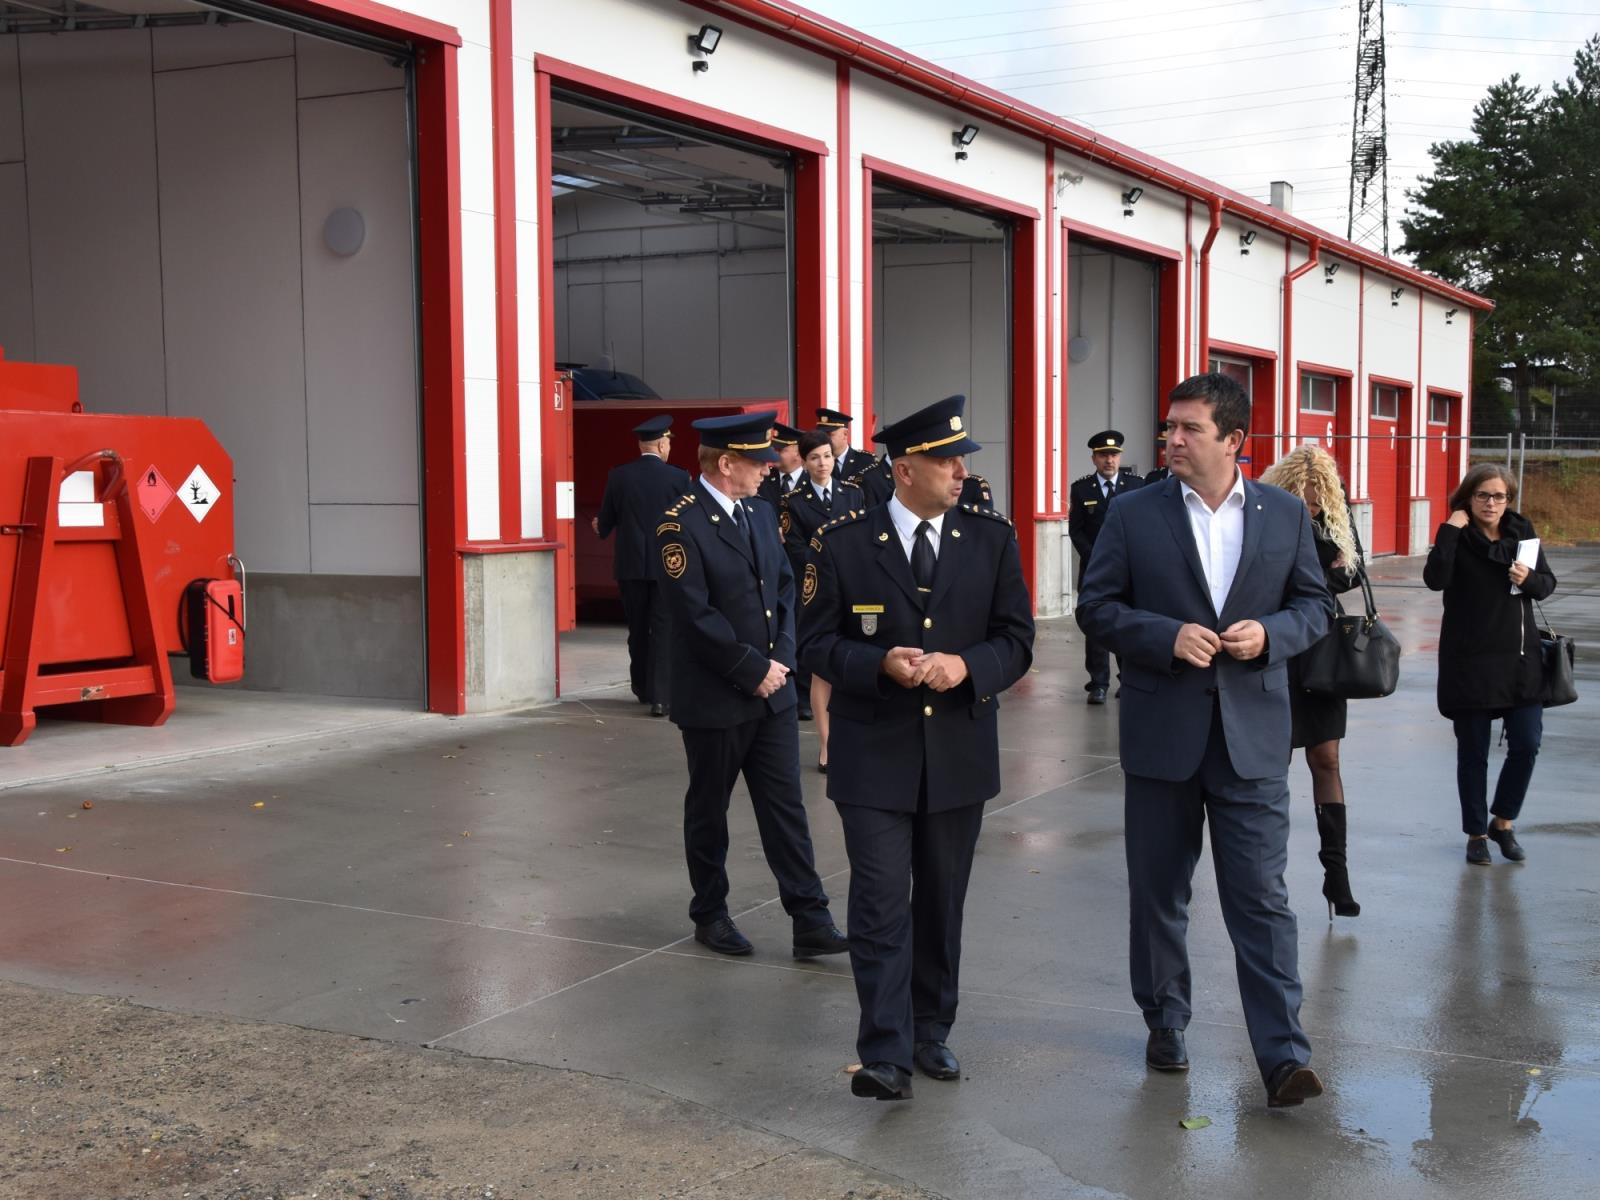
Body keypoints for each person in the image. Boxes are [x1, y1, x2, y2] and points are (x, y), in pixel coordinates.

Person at [1076, 373, 1333, 1108]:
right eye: (1169, 427)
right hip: (1163, 735)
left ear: (1234, 440)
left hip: (1252, 738)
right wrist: (1164, 636)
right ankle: (1166, 1020)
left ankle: (1283, 1057)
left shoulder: (1285, 514)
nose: (1173, 440)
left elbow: (1315, 605)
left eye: (1189, 428)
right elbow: (1096, 606)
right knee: (1160, 892)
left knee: (1262, 899)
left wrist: (1270, 634)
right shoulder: (1133, 512)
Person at [799, 394, 1035, 1102]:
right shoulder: (842, 542)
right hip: (873, 754)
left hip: (958, 753)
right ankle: (885, 1052)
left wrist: (968, 666)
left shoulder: (991, 539)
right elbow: (814, 643)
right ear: (904, 470)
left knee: (940, 901)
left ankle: (931, 1029)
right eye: (947, 461)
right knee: (878, 904)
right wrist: (876, 664)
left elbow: (1017, 639)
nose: (962, 472)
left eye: (962, 460)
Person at [654, 412, 849, 959]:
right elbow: (694, 615)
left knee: (786, 808)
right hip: (717, 695)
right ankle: (710, 913)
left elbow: (784, 588)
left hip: (773, 690)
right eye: (758, 462)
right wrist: (751, 668)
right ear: (725, 463)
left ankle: (810, 918)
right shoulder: (680, 524)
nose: (768, 469)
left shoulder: (761, 513)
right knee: (709, 811)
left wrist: (782, 658)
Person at [1423, 464, 1556, 866]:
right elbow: (1435, 578)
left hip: (1520, 661)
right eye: (1483, 495)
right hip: (1470, 663)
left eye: (1499, 496)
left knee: (1527, 744)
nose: (1491, 503)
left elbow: (1546, 584)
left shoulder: (1522, 532)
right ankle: (1476, 834)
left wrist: (1529, 579)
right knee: (1473, 754)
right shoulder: (1458, 536)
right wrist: (1449, 529)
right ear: (1468, 497)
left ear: (1508, 499)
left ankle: (1503, 822)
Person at [1259, 445, 1365, 919]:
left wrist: (1329, 568)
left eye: (1319, 495)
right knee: (1272, 763)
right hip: (1276, 646)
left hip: (1322, 649)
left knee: (1327, 758)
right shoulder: (1266, 517)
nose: (1313, 503)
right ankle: (1266, 871)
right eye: (1304, 494)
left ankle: (1336, 873)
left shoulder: (1335, 518)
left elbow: (1353, 573)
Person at [593, 415, 691, 716]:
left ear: (641, 445)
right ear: (661, 444)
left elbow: (605, 523)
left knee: (637, 628)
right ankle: (662, 697)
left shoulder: (619, 476)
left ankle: (641, 686)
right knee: (664, 628)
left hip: (630, 566)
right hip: (668, 566)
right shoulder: (679, 478)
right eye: (668, 443)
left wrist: (599, 525)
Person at [780, 430, 864, 769]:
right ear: (804, 462)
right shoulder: (793, 502)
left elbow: (863, 538)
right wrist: (831, 569)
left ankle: (855, 741)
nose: (822, 463)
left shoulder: (853, 493)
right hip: (818, 592)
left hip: (855, 591)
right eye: (814, 457)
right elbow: (796, 549)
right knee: (822, 671)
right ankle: (827, 745)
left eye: (827, 456)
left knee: (855, 661)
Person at [1069, 430, 1145, 705]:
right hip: (1094, 570)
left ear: (1120, 457)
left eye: (1113, 455)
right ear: (1094, 458)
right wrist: (1097, 558)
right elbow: (1076, 530)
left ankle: (1128, 679)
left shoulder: (1136, 485)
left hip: (1129, 571)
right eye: (1103, 455)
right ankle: (1098, 684)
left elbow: (1143, 526)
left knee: (1128, 623)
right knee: (1096, 628)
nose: (1109, 460)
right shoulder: (1081, 489)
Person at [816, 408, 872, 482]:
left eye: (829, 434)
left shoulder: (866, 461)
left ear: (845, 434)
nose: (824, 438)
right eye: (821, 434)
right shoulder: (815, 462)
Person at [758, 422, 805, 507]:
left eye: (779, 450)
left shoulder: (813, 479)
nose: (773, 453)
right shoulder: (762, 479)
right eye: (773, 449)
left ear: (798, 454)